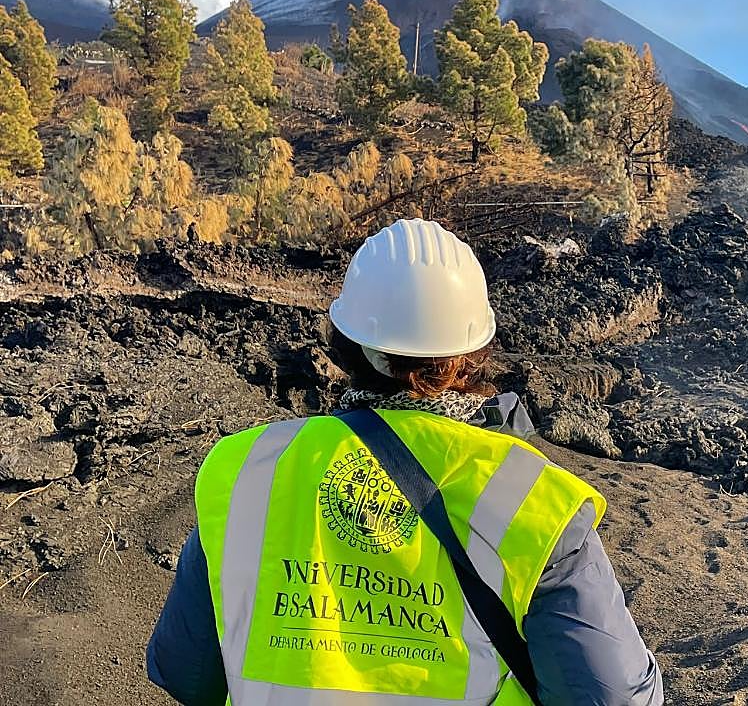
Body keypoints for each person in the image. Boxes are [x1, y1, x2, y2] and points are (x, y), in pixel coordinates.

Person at [147, 218, 663, 705]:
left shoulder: (246, 469)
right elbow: (611, 695)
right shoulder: (531, 497)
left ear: (345, 344)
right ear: (472, 353)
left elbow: (186, 672)